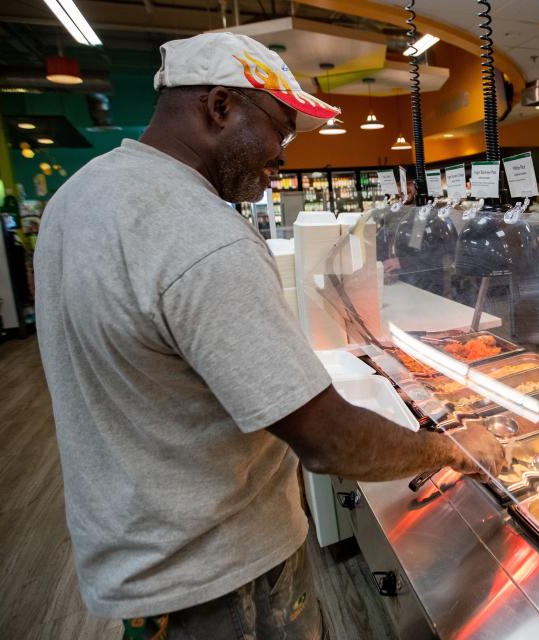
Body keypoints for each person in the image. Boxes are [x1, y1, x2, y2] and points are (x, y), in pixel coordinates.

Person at [34, 32, 506, 640]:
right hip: (220, 575)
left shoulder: (79, 196)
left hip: (138, 552)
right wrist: (452, 449)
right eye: (279, 130)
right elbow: (328, 440)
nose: (283, 155)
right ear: (219, 107)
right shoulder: (203, 235)